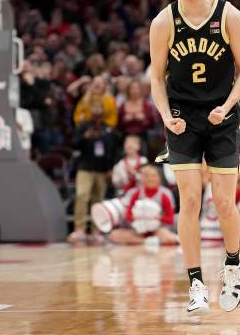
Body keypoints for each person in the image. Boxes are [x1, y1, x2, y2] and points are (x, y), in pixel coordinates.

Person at [150, 0, 240, 313]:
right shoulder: (163, 22)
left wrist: (226, 106)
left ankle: (232, 263)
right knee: (190, 200)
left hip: (221, 116)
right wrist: (164, 114)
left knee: (224, 202)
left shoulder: (229, 16)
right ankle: (196, 282)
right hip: (182, 118)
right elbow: (157, 79)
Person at [68, 105, 119, 243]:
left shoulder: (108, 130)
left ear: (103, 113)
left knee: (98, 200)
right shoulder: (84, 127)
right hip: (85, 167)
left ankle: (97, 230)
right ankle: (80, 229)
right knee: (82, 196)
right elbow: (73, 144)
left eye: (100, 111)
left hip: (102, 169)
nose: (97, 113)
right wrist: (84, 137)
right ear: (91, 112)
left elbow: (112, 151)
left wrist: (110, 168)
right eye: (95, 111)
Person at [108, 165, 178, 245]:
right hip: (138, 230)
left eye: (153, 176)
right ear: (141, 178)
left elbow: (170, 219)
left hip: (158, 230)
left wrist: (155, 217)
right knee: (114, 235)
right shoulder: (135, 193)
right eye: (146, 176)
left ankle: (143, 240)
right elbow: (127, 216)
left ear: (159, 178)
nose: (150, 179)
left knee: (167, 237)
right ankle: (148, 241)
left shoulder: (165, 194)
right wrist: (139, 217)